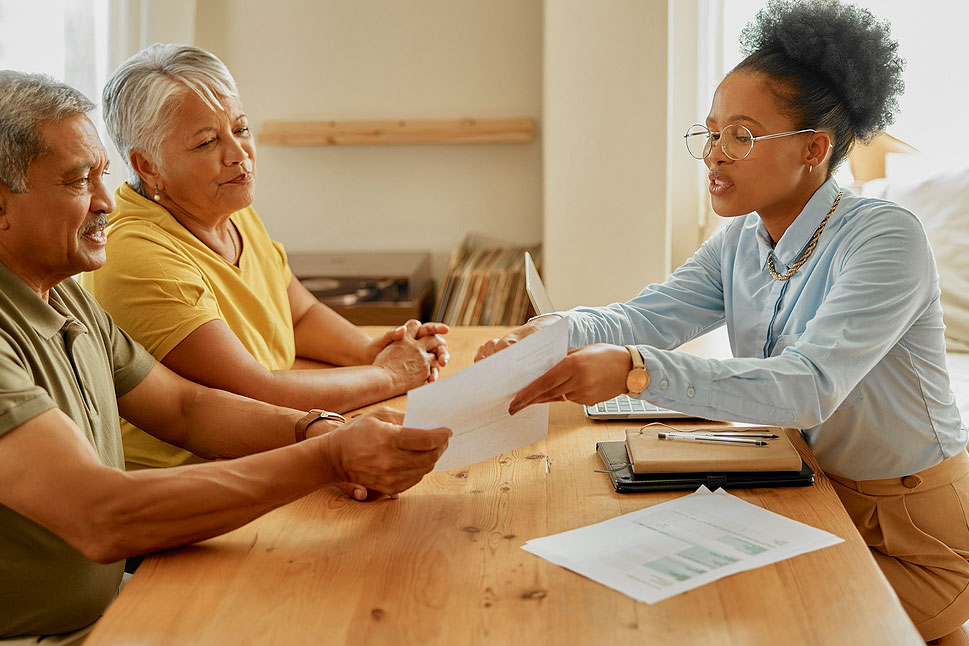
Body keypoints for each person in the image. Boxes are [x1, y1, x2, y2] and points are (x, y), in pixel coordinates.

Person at [478, 1, 969, 642]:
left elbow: (807, 386)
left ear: (813, 149)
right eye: (710, 132)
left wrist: (633, 371)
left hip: (913, 531)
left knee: (745, 619)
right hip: (809, 491)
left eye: (741, 135)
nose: (714, 153)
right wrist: (552, 335)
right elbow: (648, 315)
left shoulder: (884, 239)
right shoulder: (741, 240)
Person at [0, 70, 450, 643]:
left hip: (115, 604)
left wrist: (318, 430)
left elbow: (187, 407)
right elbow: (102, 514)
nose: (107, 202)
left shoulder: (60, 291)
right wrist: (332, 456)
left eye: (101, 176)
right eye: (75, 182)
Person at [80, 43, 449, 470]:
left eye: (241, 129)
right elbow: (253, 392)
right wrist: (389, 375)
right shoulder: (135, 254)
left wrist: (373, 352)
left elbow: (300, 314)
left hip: (278, 443)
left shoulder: (228, 208)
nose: (239, 155)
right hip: (196, 478)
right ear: (147, 167)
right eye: (206, 142)